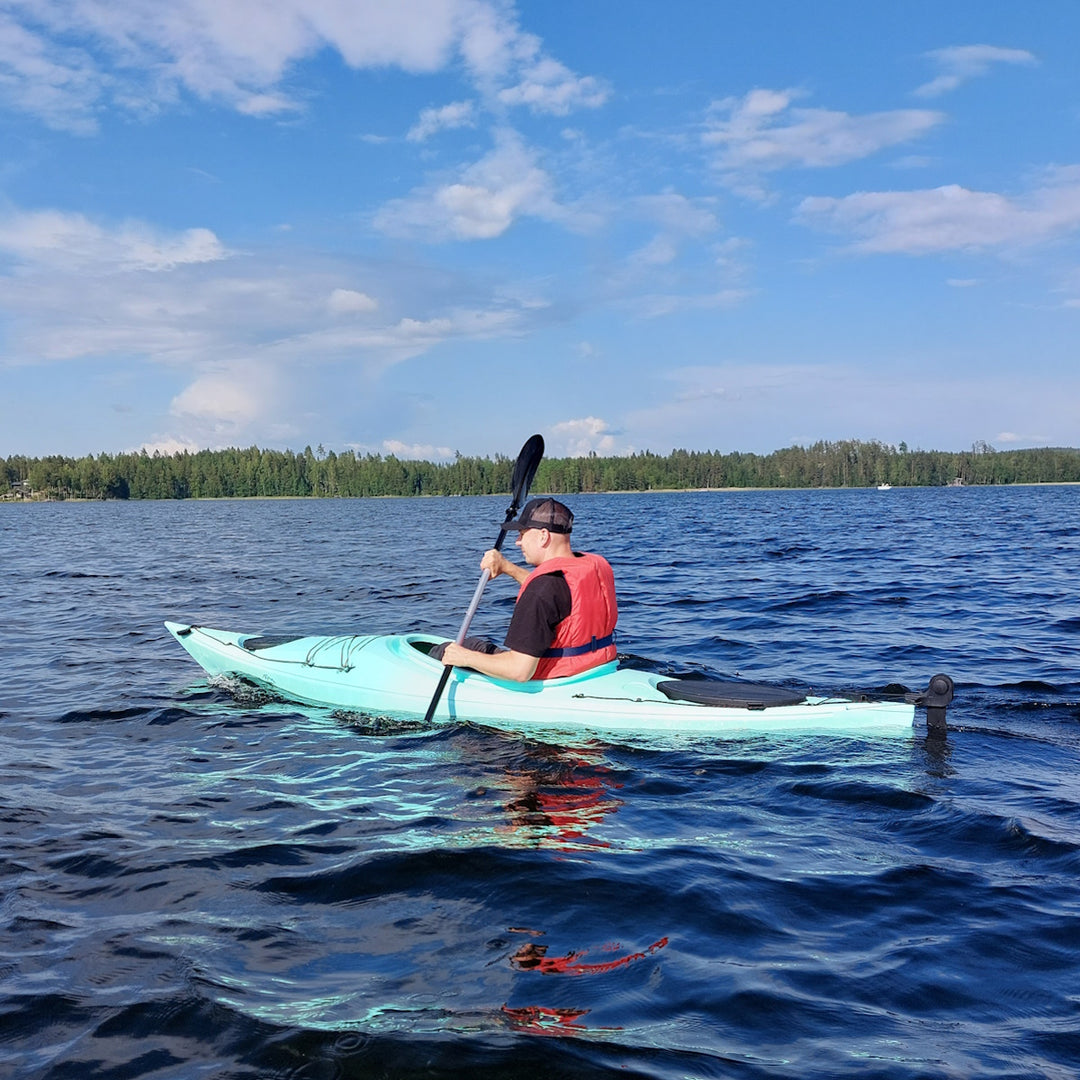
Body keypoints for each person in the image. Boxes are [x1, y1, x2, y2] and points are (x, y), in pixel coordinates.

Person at [436, 497, 617, 682]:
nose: (517, 542)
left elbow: (519, 671)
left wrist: (463, 657)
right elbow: (557, 597)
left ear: (543, 536)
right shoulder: (596, 567)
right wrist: (507, 567)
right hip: (596, 666)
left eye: (522, 534)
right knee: (474, 644)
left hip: (553, 677)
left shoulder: (541, 590)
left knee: (450, 650)